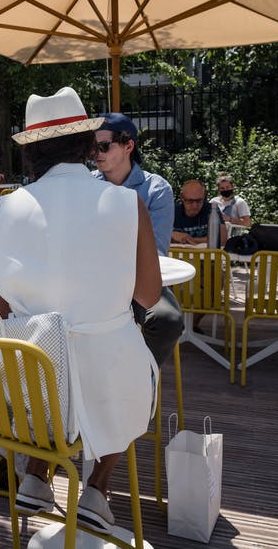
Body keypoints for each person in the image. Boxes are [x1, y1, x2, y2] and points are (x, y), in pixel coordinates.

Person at [0, 87, 162, 531]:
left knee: (53, 355)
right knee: (124, 356)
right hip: (107, 370)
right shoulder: (129, 203)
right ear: (88, 145)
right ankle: (97, 490)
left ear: (31, 153)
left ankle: (36, 476)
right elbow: (148, 295)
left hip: (31, 379)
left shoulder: (5, 207)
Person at [93, 112, 184, 370]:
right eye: (93, 147)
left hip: (138, 281)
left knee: (167, 318)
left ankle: (139, 382)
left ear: (128, 145)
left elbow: (155, 253)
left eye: (103, 146)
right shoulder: (87, 185)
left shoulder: (157, 189)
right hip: (93, 280)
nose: (96, 153)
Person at [172, 179, 219, 246]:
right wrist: (171, 234)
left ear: (204, 196)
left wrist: (187, 239)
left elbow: (221, 239)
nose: (195, 206)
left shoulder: (212, 210)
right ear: (182, 197)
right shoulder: (172, 211)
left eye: (199, 201)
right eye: (190, 201)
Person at [211, 173, 251, 243]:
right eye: (222, 188)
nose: (225, 190)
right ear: (218, 189)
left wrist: (229, 219)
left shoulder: (239, 202)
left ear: (232, 187)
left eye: (227, 187)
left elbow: (247, 223)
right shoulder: (214, 202)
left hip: (234, 239)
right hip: (215, 238)